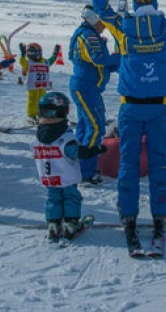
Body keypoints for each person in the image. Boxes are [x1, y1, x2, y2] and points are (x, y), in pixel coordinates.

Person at [86, 0, 166, 257]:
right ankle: (160, 216)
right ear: (156, 4)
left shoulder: (123, 28)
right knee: (159, 164)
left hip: (131, 108)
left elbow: (100, 9)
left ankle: (128, 215)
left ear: (134, 6)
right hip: (159, 108)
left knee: (129, 165)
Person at [31, 91, 105, 244]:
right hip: (66, 177)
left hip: (49, 177)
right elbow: (79, 152)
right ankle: (70, 224)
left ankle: (53, 223)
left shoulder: (38, 138)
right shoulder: (64, 138)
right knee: (71, 198)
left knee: (53, 198)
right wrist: (97, 149)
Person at [69, 5, 121, 185]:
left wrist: (118, 61)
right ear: (92, 19)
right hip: (86, 87)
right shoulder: (88, 36)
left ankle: (79, 165)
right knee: (96, 127)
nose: (103, 26)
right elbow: (98, 59)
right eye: (101, 22)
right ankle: (86, 172)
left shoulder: (92, 35)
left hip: (90, 88)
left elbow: (103, 65)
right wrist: (120, 57)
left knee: (85, 125)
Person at [18, 41, 61, 124]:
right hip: (32, 86)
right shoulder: (29, 63)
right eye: (31, 52)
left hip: (42, 86)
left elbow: (51, 60)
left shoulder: (44, 62)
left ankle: (41, 113)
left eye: (36, 52)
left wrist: (55, 54)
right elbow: (22, 62)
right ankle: (32, 115)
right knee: (33, 100)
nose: (35, 54)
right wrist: (22, 54)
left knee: (43, 100)